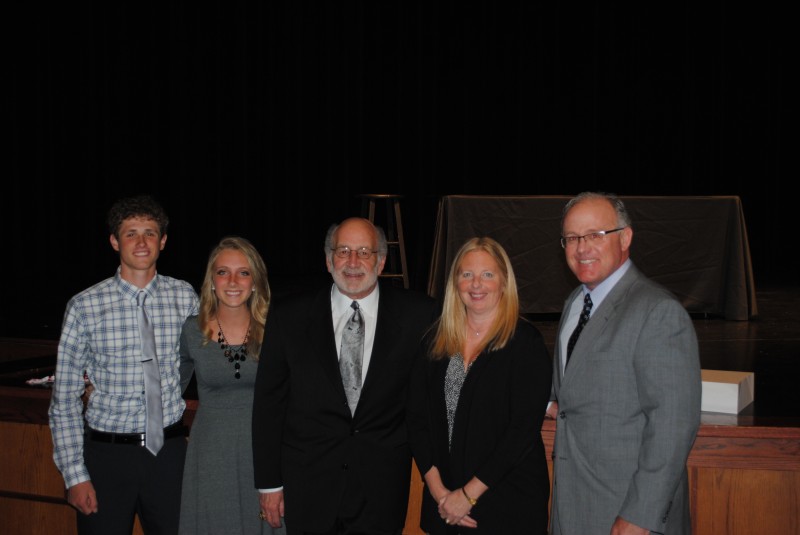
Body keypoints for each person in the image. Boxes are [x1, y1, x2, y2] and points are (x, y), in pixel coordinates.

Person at [252, 217, 438, 535]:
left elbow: (429, 403)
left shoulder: (420, 315)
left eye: (364, 252)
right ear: (328, 260)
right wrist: (269, 484)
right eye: (343, 251)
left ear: (380, 262)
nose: (353, 261)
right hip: (308, 486)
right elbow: (270, 404)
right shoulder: (289, 315)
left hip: (380, 489)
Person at [546, 192, 702, 535]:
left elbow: (673, 425)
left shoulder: (658, 312)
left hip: (627, 514)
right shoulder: (575, 303)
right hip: (573, 507)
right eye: (572, 238)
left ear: (625, 237)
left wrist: (640, 516)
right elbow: (572, 391)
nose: (581, 247)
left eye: (595, 235)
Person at [48, 194, 199, 534]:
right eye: (131, 233)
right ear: (115, 241)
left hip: (169, 454)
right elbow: (64, 400)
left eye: (150, 232)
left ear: (163, 241)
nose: (141, 241)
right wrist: (75, 475)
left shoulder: (185, 297)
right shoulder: (84, 306)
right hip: (107, 458)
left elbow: (199, 359)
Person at [408, 236, 552, 534]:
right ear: (455, 282)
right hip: (444, 504)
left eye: (487, 274)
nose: (476, 284)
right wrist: (439, 492)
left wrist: (467, 495)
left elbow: (520, 432)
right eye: (466, 274)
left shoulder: (525, 343)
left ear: (503, 282)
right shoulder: (435, 342)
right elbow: (417, 418)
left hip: (506, 503)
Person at [178, 236, 285, 534]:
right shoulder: (191, 331)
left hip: (266, 454)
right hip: (211, 456)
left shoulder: (278, 330)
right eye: (223, 272)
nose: (233, 281)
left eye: (244, 272)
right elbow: (167, 386)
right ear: (212, 280)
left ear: (255, 281)